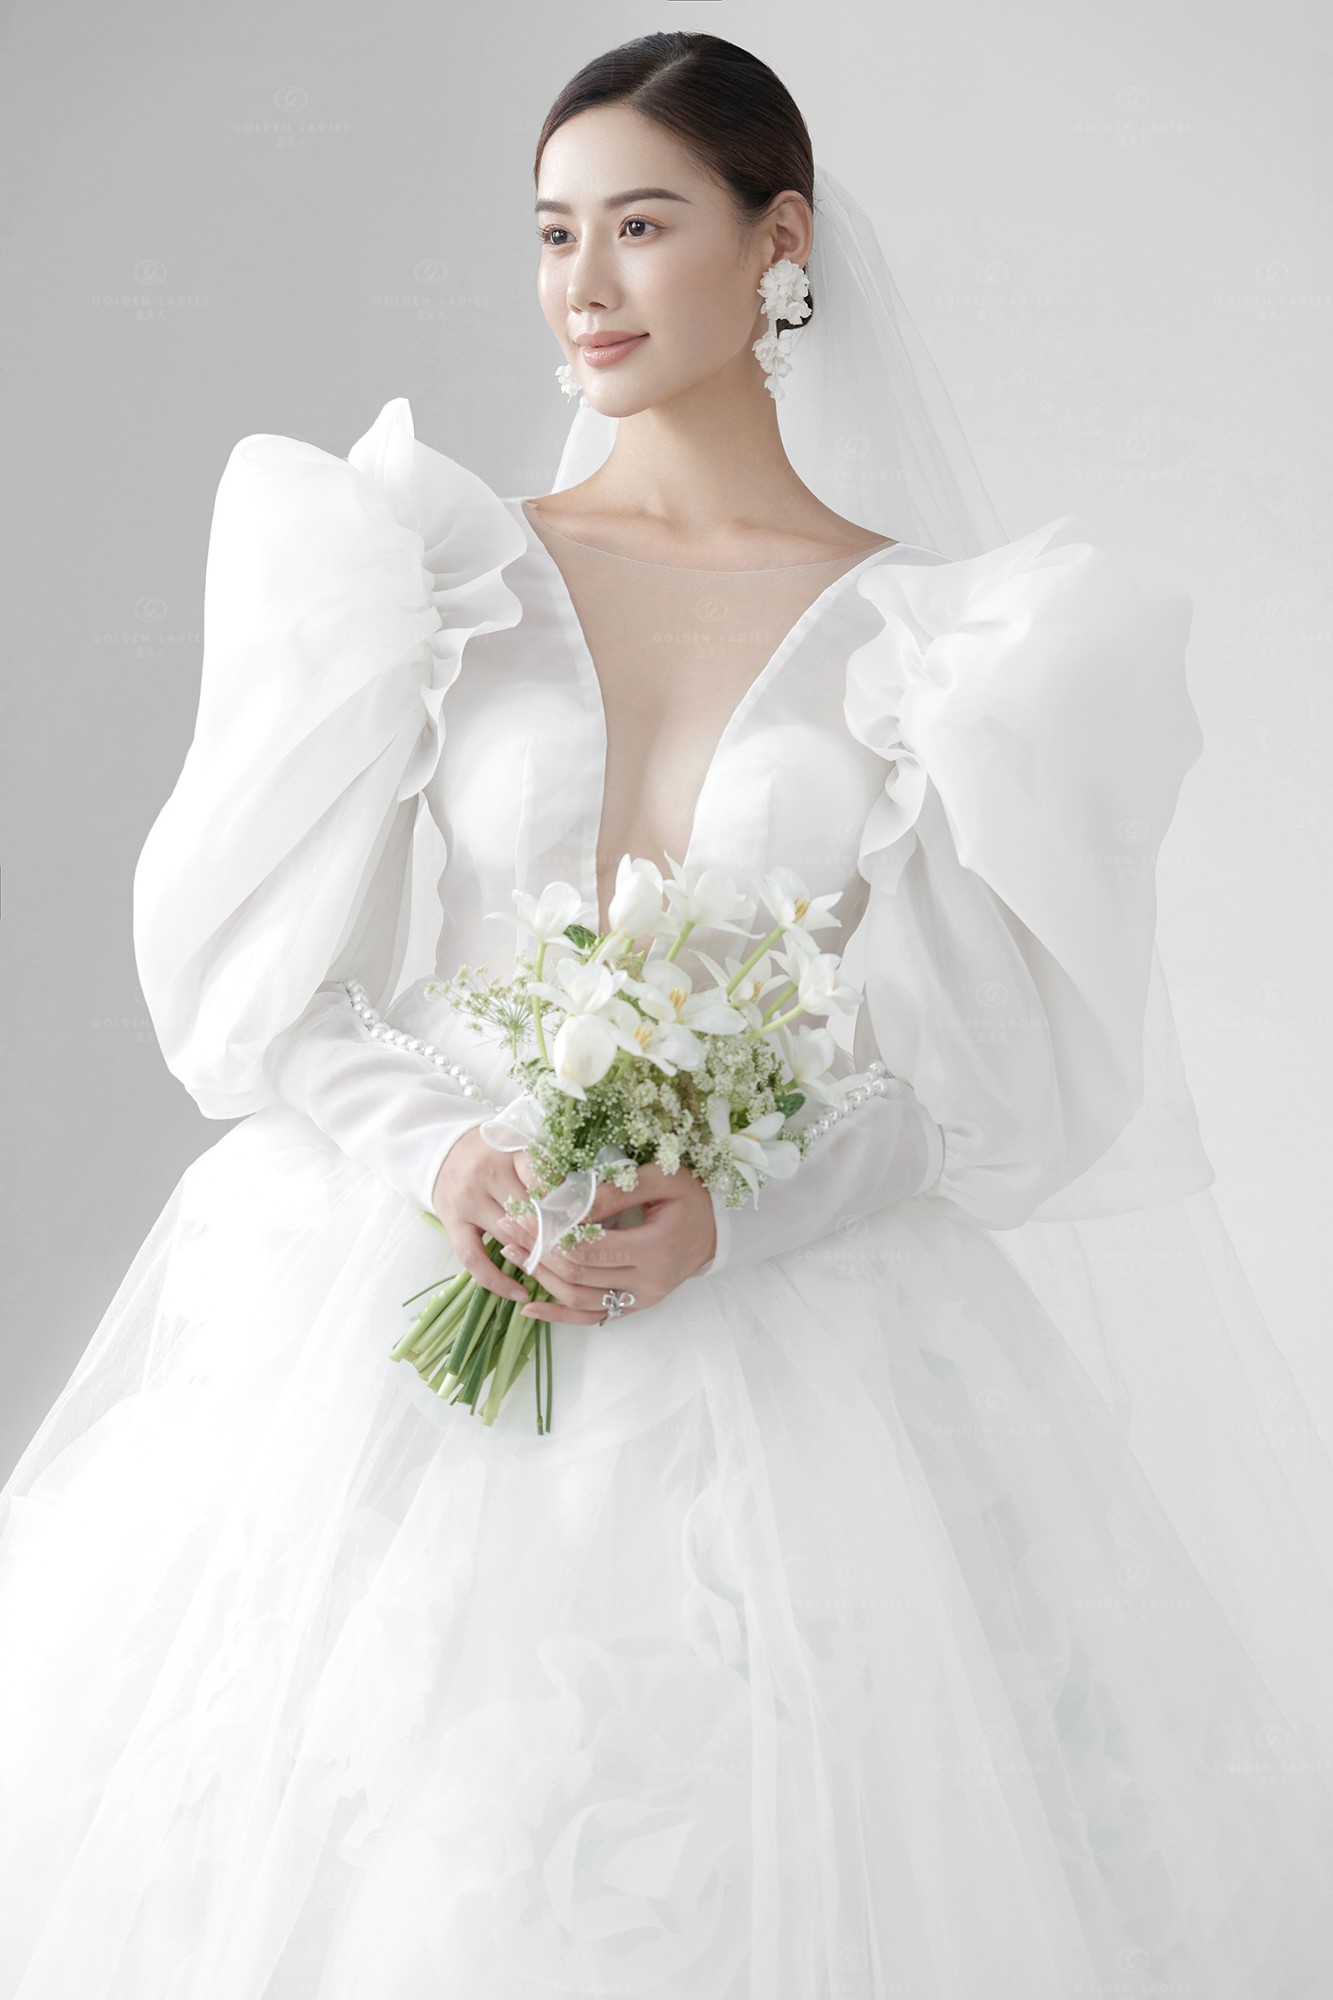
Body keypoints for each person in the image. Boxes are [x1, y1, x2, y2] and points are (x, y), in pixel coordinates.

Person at [3, 29, 1332, 1997]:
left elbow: (963, 1089)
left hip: (789, 1347)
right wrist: (443, 1151)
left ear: (777, 241)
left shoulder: (946, 650)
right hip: (379, 1306)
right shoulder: (421, 572)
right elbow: (265, 996)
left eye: (641, 225)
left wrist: (738, 1213)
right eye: (554, 233)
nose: (585, 284)